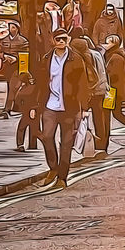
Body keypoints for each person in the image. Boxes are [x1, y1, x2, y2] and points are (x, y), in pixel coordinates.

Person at [36, 30, 90, 187]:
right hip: (50, 105)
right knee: (46, 136)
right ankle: (53, 168)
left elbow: (83, 84)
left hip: (69, 106)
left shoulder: (76, 59)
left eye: (64, 38)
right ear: (52, 40)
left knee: (66, 143)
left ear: (69, 39)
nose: (61, 41)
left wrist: (84, 108)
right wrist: (35, 105)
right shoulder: (46, 59)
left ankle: (62, 178)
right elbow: (40, 83)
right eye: (58, 39)